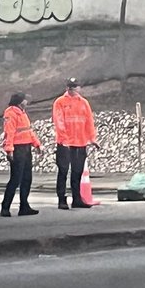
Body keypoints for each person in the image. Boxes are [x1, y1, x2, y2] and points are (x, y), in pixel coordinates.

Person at [52, 77, 99, 209]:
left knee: (77, 171)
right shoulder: (60, 102)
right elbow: (59, 121)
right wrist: (64, 139)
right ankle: (62, 199)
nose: (73, 89)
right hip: (65, 143)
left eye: (75, 86)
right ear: (67, 88)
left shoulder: (83, 103)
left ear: (79, 88)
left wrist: (92, 138)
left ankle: (77, 198)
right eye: (71, 86)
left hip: (80, 142)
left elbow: (89, 122)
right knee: (63, 171)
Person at [0, 91, 41, 217]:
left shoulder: (22, 114)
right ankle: (5, 207)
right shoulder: (11, 114)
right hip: (17, 149)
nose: (27, 102)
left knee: (27, 179)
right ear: (20, 101)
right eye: (25, 100)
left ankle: (24, 206)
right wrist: (9, 150)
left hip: (26, 148)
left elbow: (28, 131)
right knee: (16, 179)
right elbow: (9, 133)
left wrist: (37, 144)